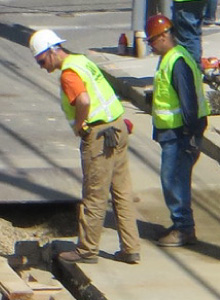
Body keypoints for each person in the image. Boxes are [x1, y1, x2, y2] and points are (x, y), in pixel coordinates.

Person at [29, 29, 141, 264]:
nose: (41, 66)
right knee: (122, 192)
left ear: (52, 51)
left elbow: (84, 100)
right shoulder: (81, 61)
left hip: (99, 135)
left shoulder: (69, 74)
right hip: (118, 127)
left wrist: (80, 125)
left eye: (41, 60)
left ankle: (87, 250)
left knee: (94, 194)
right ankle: (130, 248)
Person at [144, 15, 211, 247]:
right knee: (174, 179)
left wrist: (191, 136)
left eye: (152, 41)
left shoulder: (177, 62)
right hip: (171, 133)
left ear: (164, 37)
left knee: (174, 180)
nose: (150, 46)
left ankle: (184, 228)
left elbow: (188, 103)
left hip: (180, 134)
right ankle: (180, 224)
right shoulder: (170, 58)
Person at [171, 0, 207, 67]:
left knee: (188, 37)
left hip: (184, 3)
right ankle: (195, 67)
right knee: (194, 33)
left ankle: (193, 68)